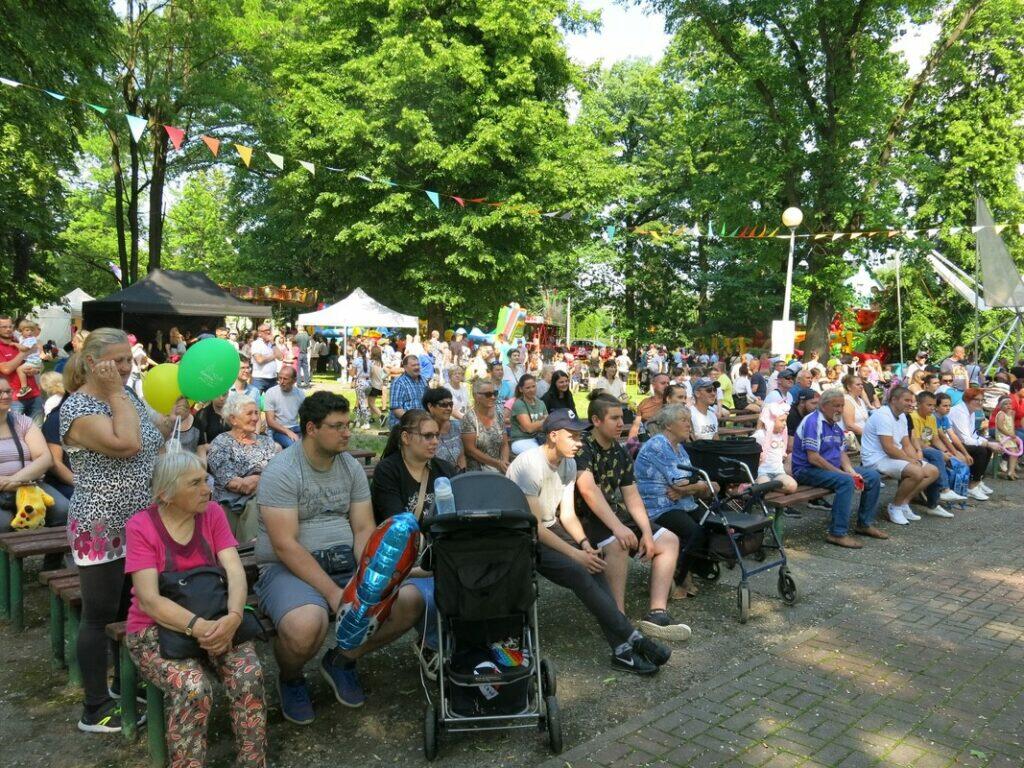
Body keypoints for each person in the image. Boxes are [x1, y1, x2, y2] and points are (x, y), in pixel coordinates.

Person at [125, 451, 267, 768]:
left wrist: (234, 617)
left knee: (248, 675)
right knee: (192, 688)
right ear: (165, 494)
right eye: (195, 483)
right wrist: (199, 628)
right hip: (156, 629)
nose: (207, 489)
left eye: (206, 480)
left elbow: (235, 571)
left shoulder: (212, 514)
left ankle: (253, 761)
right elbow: (149, 600)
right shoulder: (141, 526)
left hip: (217, 618)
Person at [506, 408, 671, 674]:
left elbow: (567, 515)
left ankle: (622, 650)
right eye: (572, 436)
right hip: (521, 537)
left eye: (579, 436)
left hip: (549, 528)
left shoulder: (569, 463)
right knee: (578, 570)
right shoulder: (529, 465)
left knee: (595, 565)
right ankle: (633, 639)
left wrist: (584, 545)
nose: (579, 443)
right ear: (553, 435)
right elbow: (534, 527)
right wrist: (575, 555)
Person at [255, 392, 384, 721]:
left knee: (407, 600)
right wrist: (333, 593)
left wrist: (367, 579)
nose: (347, 433)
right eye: (337, 426)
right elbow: (285, 545)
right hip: (288, 569)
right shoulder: (283, 470)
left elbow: (363, 529)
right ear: (311, 429)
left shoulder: (350, 466)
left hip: (344, 561)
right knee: (306, 625)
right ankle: (291, 678)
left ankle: (341, 660)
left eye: (348, 425)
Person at [60, 329, 164, 732]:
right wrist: (118, 393)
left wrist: (171, 417)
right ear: (92, 362)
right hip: (100, 526)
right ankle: (95, 707)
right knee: (98, 615)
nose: (125, 367)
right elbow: (127, 444)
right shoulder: (78, 407)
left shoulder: (126, 396)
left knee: (129, 610)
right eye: (117, 360)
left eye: (128, 360)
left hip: (139, 524)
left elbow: (149, 438)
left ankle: (124, 684)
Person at [566, 395, 689, 639]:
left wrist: (646, 533)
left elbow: (631, 496)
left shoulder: (619, 451)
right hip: (583, 517)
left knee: (668, 541)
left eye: (622, 417)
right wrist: (619, 528)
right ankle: (617, 618)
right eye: (614, 418)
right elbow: (588, 491)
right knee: (618, 543)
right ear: (596, 420)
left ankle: (657, 613)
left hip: (611, 513)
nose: (621, 423)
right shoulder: (583, 447)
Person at [634, 405, 717, 600]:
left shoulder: (679, 448)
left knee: (711, 524)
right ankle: (677, 577)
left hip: (680, 502)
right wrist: (700, 485)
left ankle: (692, 569)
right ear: (669, 425)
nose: (689, 424)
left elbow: (687, 482)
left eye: (689, 420)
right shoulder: (658, 445)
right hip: (657, 506)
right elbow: (680, 482)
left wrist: (692, 487)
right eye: (683, 420)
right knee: (693, 531)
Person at [791, 388, 886, 549]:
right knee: (846, 482)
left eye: (842, 406)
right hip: (806, 470)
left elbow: (841, 453)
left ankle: (864, 524)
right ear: (823, 406)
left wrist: (851, 471)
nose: (840, 409)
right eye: (836, 406)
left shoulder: (835, 424)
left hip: (828, 469)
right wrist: (843, 474)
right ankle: (837, 533)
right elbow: (813, 458)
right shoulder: (813, 422)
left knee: (872, 476)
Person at [858, 386, 940, 526]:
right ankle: (894, 507)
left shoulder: (902, 416)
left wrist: (916, 460)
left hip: (890, 457)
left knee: (933, 471)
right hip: (875, 459)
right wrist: (911, 462)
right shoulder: (883, 416)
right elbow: (889, 448)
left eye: (912, 401)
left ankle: (903, 503)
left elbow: (906, 444)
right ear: (893, 400)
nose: (911, 404)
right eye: (907, 400)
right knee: (916, 472)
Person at [0, 376, 71, 531]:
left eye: (8, 391)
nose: (5, 396)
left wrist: (14, 480)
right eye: (0, 392)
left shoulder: (23, 422)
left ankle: (54, 548)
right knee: (3, 524)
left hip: (29, 484)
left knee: (63, 509)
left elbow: (44, 458)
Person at [207, 393, 278, 541]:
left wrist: (256, 479)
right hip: (229, 504)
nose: (255, 418)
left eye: (256, 413)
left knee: (258, 503)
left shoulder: (267, 443)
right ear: (233, 419)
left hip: (263, 502)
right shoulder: (220, 444)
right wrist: (262, 478)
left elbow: (277, 477)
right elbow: (235, 484)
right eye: (249, 413)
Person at [910, 391, 965, 513]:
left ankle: (933, 504)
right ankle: (944, 490)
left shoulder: (931, 418)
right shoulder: (913, 417)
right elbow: (918, 442)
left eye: (933, 405)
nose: (932, 408)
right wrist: (941, 454)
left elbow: (935, 439)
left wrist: (945, 451)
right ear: (919, 404)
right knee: (937, 456)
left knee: (938, 460)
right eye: (929, 405)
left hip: (927, 449)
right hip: (915, 449)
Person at [948, 387, 1000, 499]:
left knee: (987, 447)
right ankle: (972, 487)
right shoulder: (959, 412)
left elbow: (973, 435)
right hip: (950, 444)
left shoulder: (971, 411)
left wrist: (988, 443)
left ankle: (977, 480)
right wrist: (987, 444)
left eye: (982, 400)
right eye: (976, 400)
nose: (980, 402)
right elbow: (965, 439)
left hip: (961, 442)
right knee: (981, 450)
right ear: (968, 399)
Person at [461, 378, 510, 472]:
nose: (493, 397)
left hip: (500, 465)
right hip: (479, 468)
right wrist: (497, 464)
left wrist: (505, 462)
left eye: (495, 393)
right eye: (488, 394)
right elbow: (470, 451)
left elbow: (505, 444)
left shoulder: (498, 414)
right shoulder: (469, 418)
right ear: (476, 396)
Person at [0, 314, 43, 417]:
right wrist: (25, 352)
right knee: (15, 426)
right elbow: (6, 369)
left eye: (10, 326)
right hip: (14, 398)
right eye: (4, 327)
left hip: (34, 394)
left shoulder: (20, 340)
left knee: (37, 427)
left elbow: (39, 363)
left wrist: (36, 370)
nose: (8, 329)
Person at [753, 402, 798, 493]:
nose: (785, 424)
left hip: (778, 472)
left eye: (785, 421)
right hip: (762, 473)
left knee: (792, 486)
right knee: (764, 485)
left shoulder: (780, 435)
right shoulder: (760, 435)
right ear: (770, 421)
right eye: (782, 420)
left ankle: (771, 488)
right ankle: (760, 487)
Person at [264, 366, 306, 449]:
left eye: (285, 379)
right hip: (278, 430)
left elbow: (305, 417)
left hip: (296, 428)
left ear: (294, 380)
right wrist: (288, 432)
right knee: (294, 446)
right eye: (280, 378)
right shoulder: (271, 393)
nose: (281, 382)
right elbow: (270, 421)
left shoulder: (300, 394)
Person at [423, 386, 465, 469]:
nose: (449, 408)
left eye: (450, 404)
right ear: (430, 406)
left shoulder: (459, 426)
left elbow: (463, 457)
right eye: (443, 405)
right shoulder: (423, 432)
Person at [509, 373, 549, 455]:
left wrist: (534, 425)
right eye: (528, 388)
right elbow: (529, 428)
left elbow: (548, 425)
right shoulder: (519, 404)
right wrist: (543, 421)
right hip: (521, 440)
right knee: (539, 454)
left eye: (533, 386)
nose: (531, 390)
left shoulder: (541, 403)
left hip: (539, 438)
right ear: (521, 389)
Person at [388, 354, 429, 427]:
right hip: (403, 424)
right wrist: (413, 422)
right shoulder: (399, 382)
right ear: (405, 367)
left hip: (421, 423)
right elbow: (396, 409)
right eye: (413, 365)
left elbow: (428, 402)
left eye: (418, 365)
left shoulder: (424, 381)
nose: (417, 367)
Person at [629, 372, 669, 441]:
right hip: (648, 439)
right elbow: (636, 425)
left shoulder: (672, 402)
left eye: (668, 383)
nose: (666, 386)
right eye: (663, 383)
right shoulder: (645, 403)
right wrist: (632, 444)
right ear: (653, 385)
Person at [196, 393, 231, 461]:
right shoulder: (202, 415)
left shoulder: (234, 412)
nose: (221, 398)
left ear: (228, 394)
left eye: (224, 394)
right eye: (217, 395)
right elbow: (201, 445)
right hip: (211, 457)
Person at [841, 374, 872, 448]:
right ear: (849, 387)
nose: (861, 386)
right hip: (855, 440)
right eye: (858, 384)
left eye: (861, 384)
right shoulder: (847, 401)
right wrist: (869, 435)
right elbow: (850, 426)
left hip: (864, 437)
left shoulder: (860, 400)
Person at [249, 325, 280, 394]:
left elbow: (280, 357)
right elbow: (260, 360)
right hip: (259, 379)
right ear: (259, 333)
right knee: (255, 399)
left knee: (273, 400)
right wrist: (274, 355)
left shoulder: (272, 344)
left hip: (273, 378)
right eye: (265, 330)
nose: (268, 332)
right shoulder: (256, 344)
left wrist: (273, 343)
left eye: (269, 330)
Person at [993, 396, 1019, 479]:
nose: (1008, 405)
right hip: (1002, 437)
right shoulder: (1001, 414)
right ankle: (1010, 472)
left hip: (1009, 437)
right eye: (1005, 404)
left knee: (1016, 450)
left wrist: (1014, 437)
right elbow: (1000, 427)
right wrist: (1010, 435)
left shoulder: (1010, 415)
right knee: (1013, 451)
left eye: (1010, 404)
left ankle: (1011, 471)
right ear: (1001, 406)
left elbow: (1012, 427)